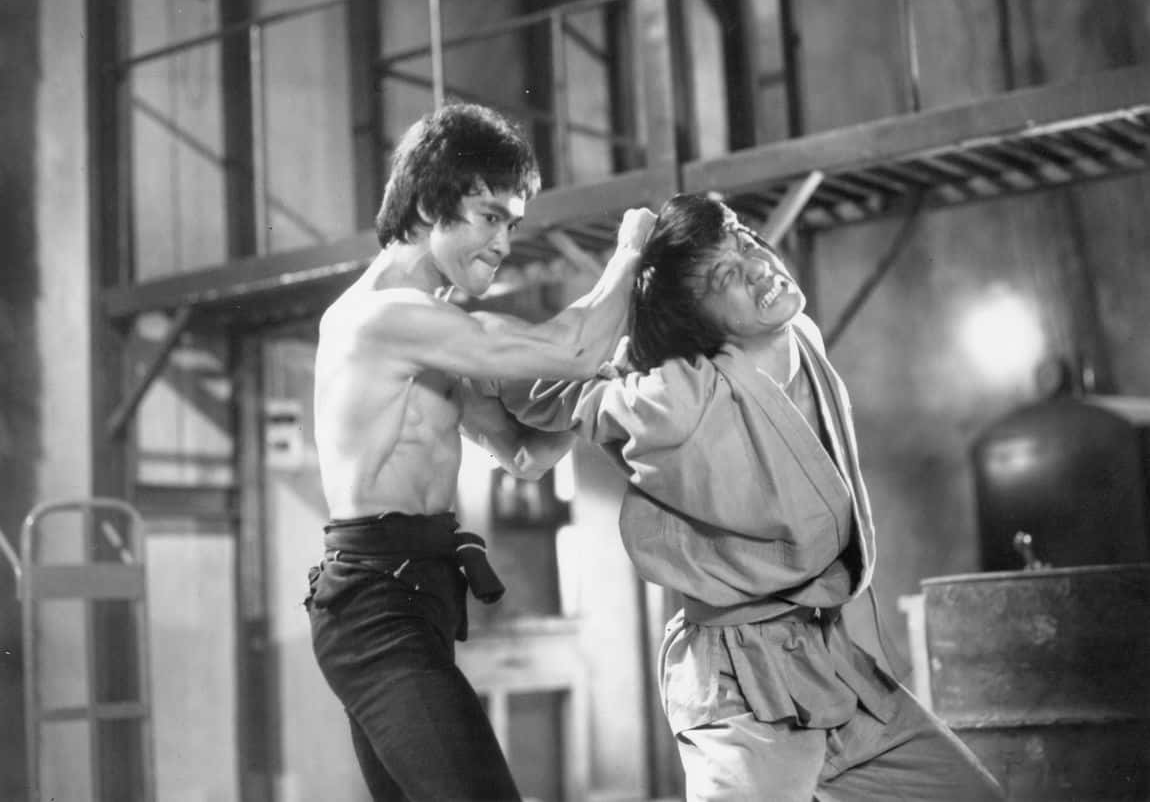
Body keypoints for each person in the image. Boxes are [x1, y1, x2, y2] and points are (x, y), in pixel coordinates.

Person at [501, 193, 1004, 801]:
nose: (758, 267)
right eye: (725, 277)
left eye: (742, 240)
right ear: (699, 322)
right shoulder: (675, 398)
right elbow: (534, 384)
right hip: (735, 680)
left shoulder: (801, 334)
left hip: (829, 665)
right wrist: (629, 260)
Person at [306, 102, 654, 802]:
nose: (502, 244)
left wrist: (595, 394)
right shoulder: (382, 318)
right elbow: (571, 346)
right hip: (377, 606)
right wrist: (631, 250)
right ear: (430, 206)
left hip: (412, 598)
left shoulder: (432, 332)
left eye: (512, 224)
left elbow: (524, 456)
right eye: (490, 216)